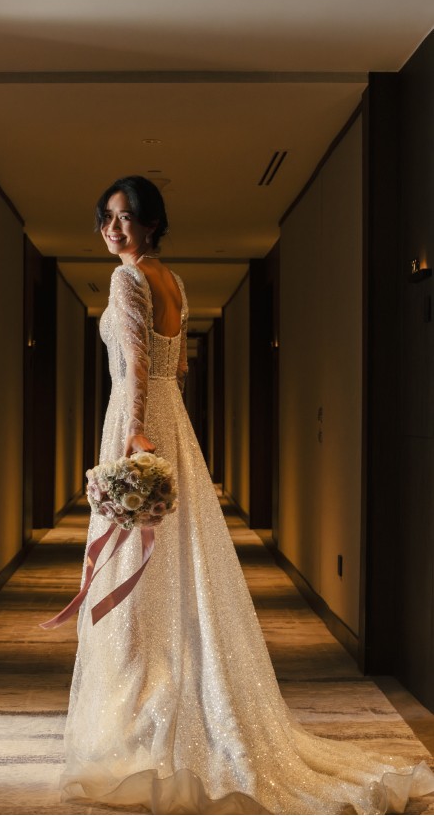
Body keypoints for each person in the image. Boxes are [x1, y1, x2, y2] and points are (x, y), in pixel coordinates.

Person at [59, 176, 434, 814]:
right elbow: (177, 367)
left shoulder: (128, 281)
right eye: (107, 219)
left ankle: (141, 727)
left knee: (138, 572)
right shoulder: (176, 281)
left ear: (151, 224)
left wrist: (136, 436)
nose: (113, 230)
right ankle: (176, 709)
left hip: (140, 422)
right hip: (178, 428)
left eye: (126, 218)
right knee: (182, 573)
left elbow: (137, 361)